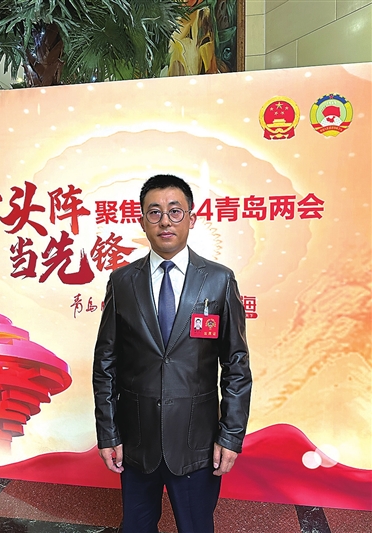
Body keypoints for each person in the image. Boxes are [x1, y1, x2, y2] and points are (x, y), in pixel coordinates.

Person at [93, 174, 252, 533]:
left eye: (175, 211)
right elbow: (105, 363)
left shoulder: (218, 280)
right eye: (155, 212)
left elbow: (236, 365)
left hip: (197, 443)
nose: (165, 221)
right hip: (136, 441)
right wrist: (108, 432)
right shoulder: (122, 282)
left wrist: (230, 435)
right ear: (142, 222)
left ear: (191, 219)